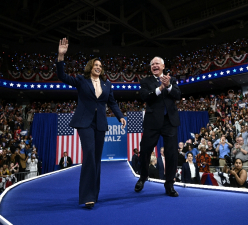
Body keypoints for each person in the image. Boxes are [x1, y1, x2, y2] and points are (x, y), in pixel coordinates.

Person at [57, 38, 126, 208]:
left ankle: (94, 195)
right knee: (89, 154)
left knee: (96, 159)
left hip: (100, 124)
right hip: (84, 123)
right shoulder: (81, 80)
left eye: (101, 66)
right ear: (90, 67)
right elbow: (62, 76)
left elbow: (112, 103)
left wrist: (120, 116)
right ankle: (87, 196)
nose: (98, 67)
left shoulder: (107, 84)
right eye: (96, 65)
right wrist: (60, 56)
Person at [134, 56, 181, 197]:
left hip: (170, 122)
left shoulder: (172, 80)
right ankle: (143, 177)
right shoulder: (145, 81)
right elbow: (144, 96)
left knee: (172, 154)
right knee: (145, 150)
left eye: (157, 63)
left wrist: (169, 86)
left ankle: (169, 185)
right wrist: (160, 88)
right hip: (152, 122)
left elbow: (178, 95)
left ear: (163, 66)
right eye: (152, 64)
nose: (154, 66)